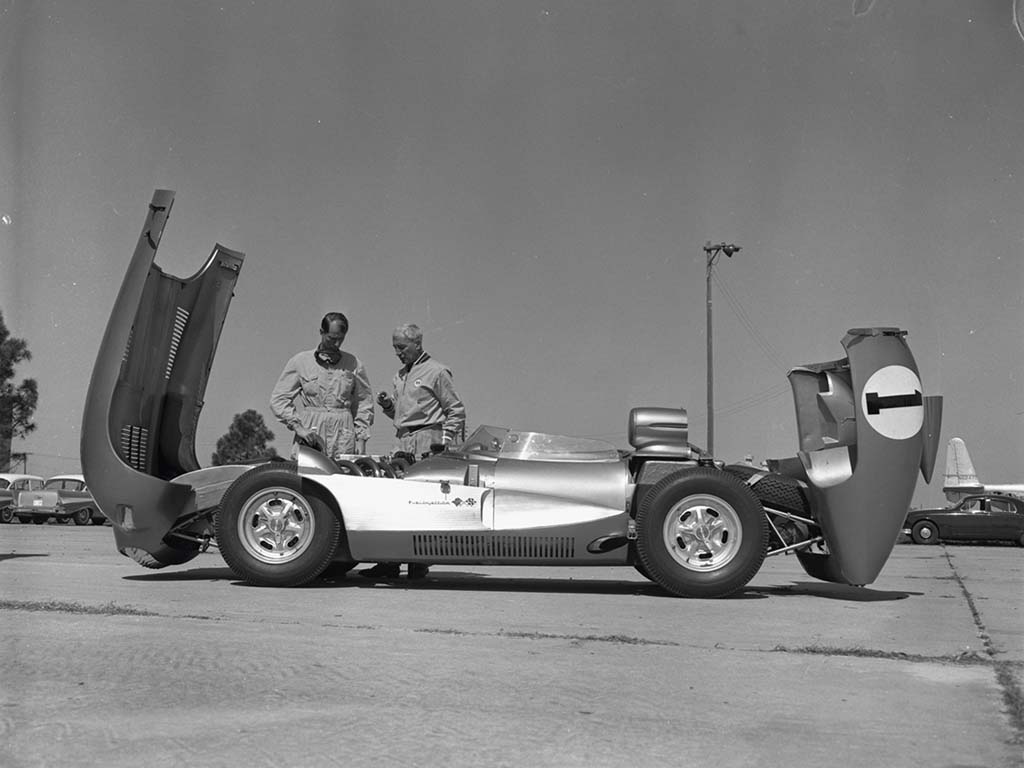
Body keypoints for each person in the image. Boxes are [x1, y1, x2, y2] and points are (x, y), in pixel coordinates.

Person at [361, 322, 467, 581]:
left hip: (427, 440)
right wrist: (388, 406)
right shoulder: (399, 376)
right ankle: (389, 562)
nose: (398, 352)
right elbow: (402, 414)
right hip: (402, 442)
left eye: (402, 347)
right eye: (395, 348)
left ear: (417, 344)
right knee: (393, 502)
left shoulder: (437, 372)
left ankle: (419, 562)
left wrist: (444, 440)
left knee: (422, 503)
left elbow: (456, 410)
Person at [270, 312, 374, 461]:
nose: (337, 344)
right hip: (312, 434)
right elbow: (278, 400)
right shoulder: (301, 362)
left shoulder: (354, 364)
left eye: (340, 339)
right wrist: (298, 427)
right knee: (308, 480)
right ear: (321, 332)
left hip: (343, 437)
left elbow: (364, 403)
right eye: (332, 339)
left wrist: (361, 439)